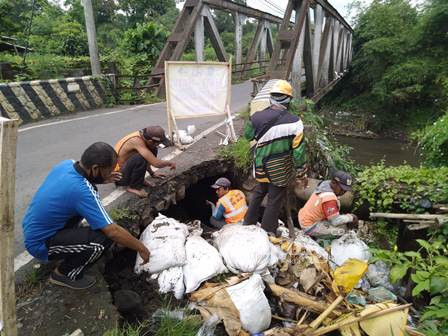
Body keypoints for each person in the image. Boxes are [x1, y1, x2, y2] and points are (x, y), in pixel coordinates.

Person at [22, 142, 150, 290]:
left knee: (92, 224)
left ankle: (66, 250)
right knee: (101, 240)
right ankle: (64, 274)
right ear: (95, 168)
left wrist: (102, 179)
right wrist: (141, 248)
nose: (110, 174)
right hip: (40, 243)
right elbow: (112, 231)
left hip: (34, 228)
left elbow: (79, 186)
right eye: (108, 170)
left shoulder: (67, 164)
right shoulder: (82, 190)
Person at [243, 80, 307, 233]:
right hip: (280, 169)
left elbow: (248, 136)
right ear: (289, 99)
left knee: (259, 191)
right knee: (274, 199)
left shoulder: (256, 116)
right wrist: (301, 173)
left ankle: (248, 223)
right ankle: (268, 231)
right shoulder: (296, 123)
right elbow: (298, 152)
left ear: (271, 98)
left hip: (260, 165)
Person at [114, 126, 176, 198]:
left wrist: (152, 173)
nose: (158, 145)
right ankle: (134, 187)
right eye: (157, 143)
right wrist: (170, 163)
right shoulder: (136, 141)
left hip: (126, 169)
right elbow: (156, 163)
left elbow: (148, 158)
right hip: (119, 177)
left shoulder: (144, 138)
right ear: (150, 141)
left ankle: (140, 180)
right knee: (140, 158)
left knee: (152, 150)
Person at [298, 170, 359, 237]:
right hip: (309, 227)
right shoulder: (329, 197)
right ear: (333, 182)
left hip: (303, 217)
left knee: (341, 221)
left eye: (345, 190)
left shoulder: (325, 185)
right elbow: (335, 221)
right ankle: (322, 241)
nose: (343, 192)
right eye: (342, 188)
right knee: (343, 230)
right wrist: (351, 217)